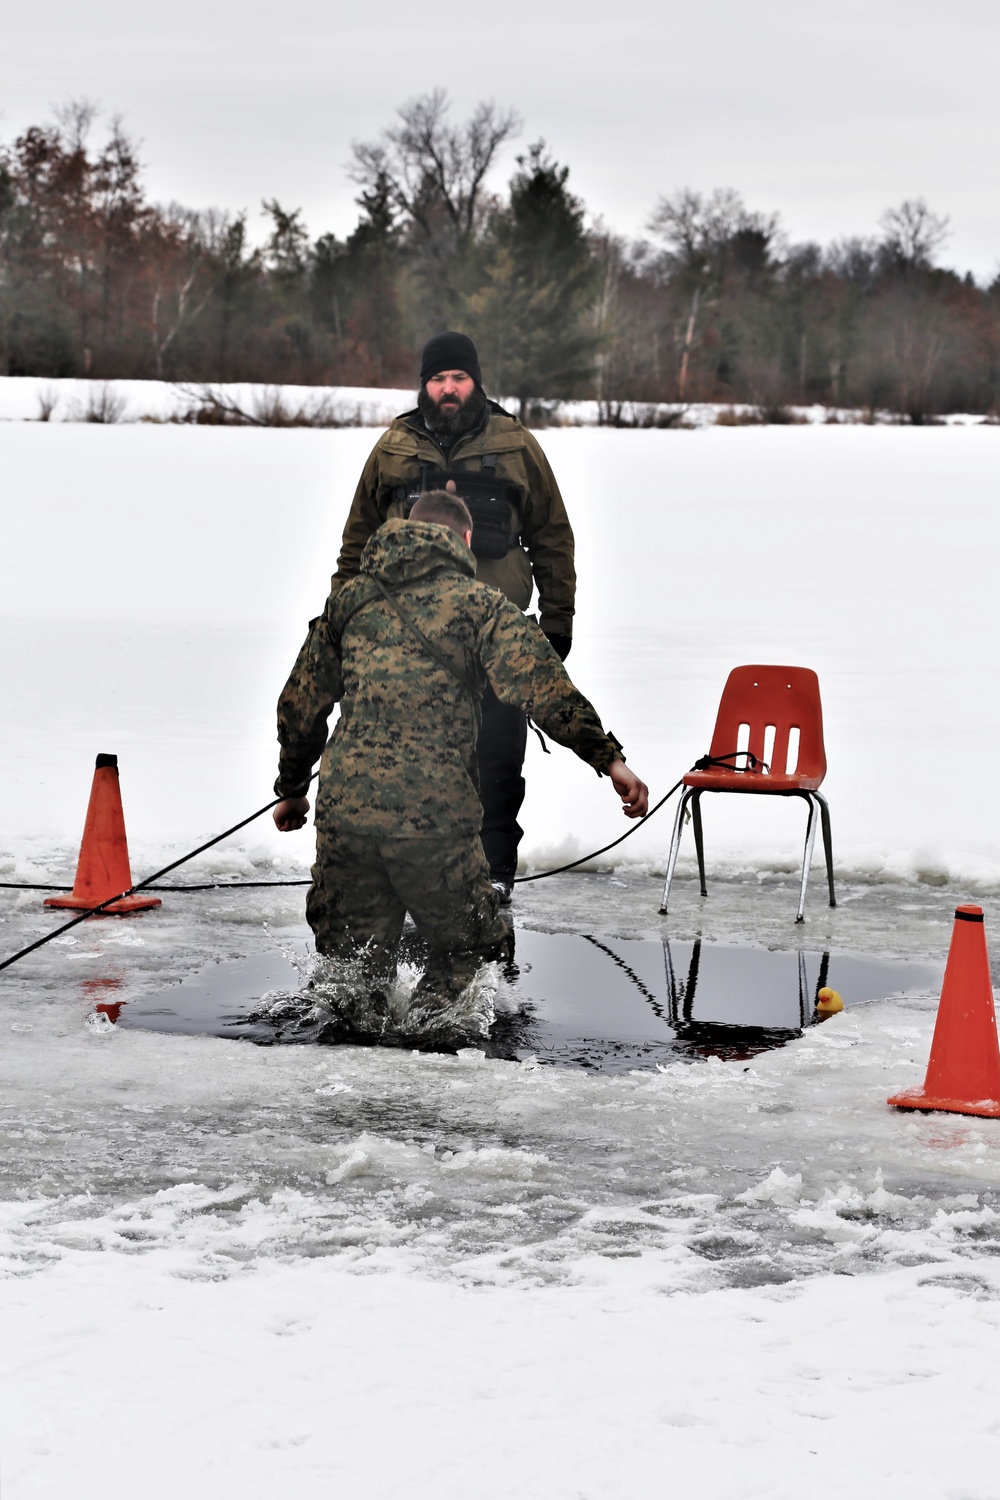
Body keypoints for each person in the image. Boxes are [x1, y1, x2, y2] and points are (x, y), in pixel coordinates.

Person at [272, 490, 648, 1047]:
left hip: (346, 813)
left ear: (403, 531)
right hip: (434, 821)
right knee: (466, 956)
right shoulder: (481, 606)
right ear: (465, 541)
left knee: (352, 974)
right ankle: (432, 1075)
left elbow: (300, 704)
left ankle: (350, 1098)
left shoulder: (350, 602)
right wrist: (609, 759)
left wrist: (294, 788)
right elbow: (544, 687)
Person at [326, 330, 576, 902]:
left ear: (476, 381)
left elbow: (553, 537)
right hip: (403, 647)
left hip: (493, 643)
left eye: (457, 378)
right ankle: (414, 892)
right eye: (437, 379)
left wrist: (556, 626)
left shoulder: (516, 444)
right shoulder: (394, 446)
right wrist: (345, 622)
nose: (447, 389)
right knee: (409, 775)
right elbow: (356, 541)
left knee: (494, 773)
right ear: (424, 385)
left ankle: (492, 886)